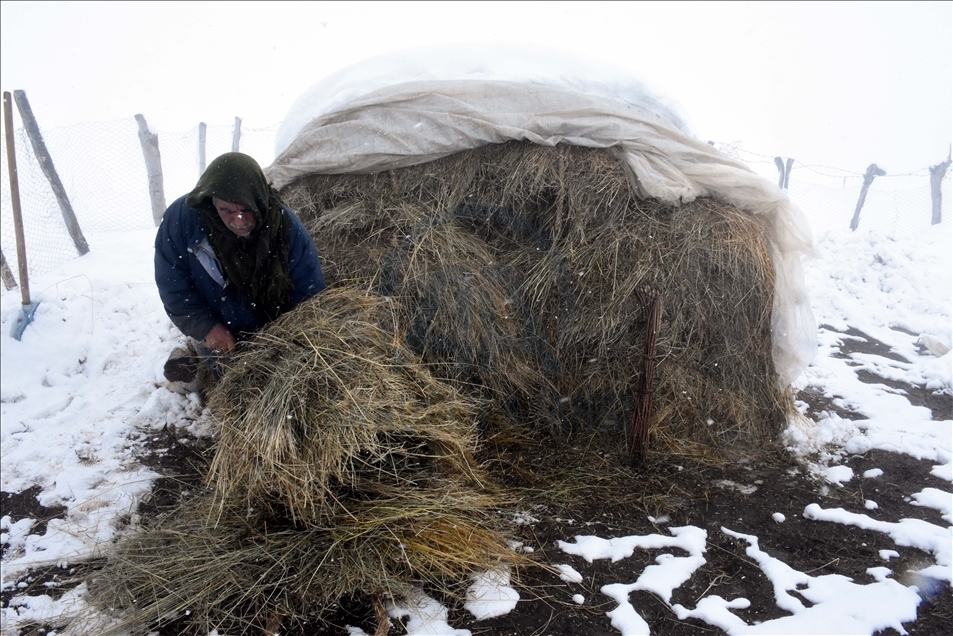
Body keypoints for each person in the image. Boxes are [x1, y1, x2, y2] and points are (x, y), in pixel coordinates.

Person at [155, 152, 325, 385]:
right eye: (227, 210)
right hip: (221, 338)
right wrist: (207, 328)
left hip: (275, 334)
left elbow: (309, 293)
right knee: (232, 390)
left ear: (259, 200)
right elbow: (173, 285)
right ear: (212, 202)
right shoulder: (182, 222)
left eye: (247, 209)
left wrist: (286, 342)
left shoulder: (286, 230)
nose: (239, 220)